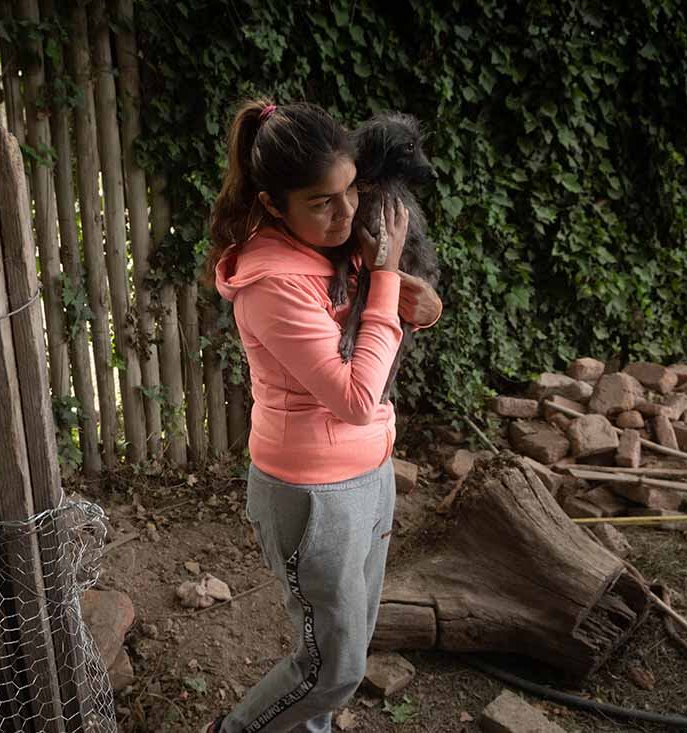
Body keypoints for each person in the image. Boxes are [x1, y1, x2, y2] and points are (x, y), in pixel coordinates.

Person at [201, 99, 442, 733]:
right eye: (321, 202)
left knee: (348, 647)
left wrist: (409, 293)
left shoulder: (339, 242)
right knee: (330, 670)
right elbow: (357, 396)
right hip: (313, 491)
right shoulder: (273, 283)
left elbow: (402, 314)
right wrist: (386, 279)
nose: (345, 215)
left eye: (349, 193)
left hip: (371, 469)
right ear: (274, 204)